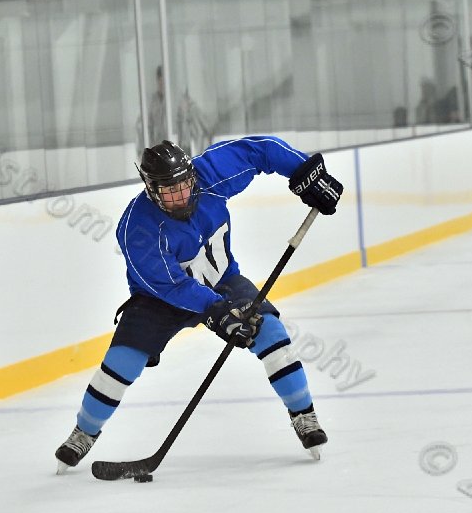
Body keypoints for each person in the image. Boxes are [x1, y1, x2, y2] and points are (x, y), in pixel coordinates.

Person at [54, 136, 344, 474]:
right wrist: (217, 312)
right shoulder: (137, 227)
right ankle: (83, 433)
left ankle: (304, 417)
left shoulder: (212, 174)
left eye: (184, 185)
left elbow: (261, 150)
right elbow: (171, 285)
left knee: (272, 334)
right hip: (161, 300)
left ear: (193, 174)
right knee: (121, 362)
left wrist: (305, 173)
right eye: (169, 191)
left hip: (224, 281)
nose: (180, 197)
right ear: (151, 190)